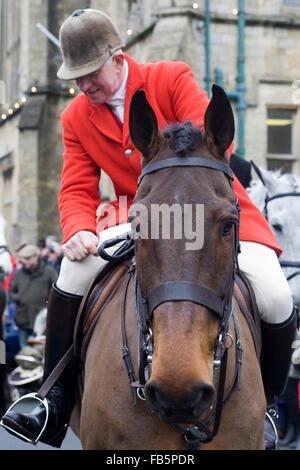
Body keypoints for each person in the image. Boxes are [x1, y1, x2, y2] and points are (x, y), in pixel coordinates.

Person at [1, 8, 296, 448]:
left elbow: (208, 141)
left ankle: (268, 408)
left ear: (117, 57)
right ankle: (54, 399)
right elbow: (76, 188)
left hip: (209, 209)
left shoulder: (170, 77)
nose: (83, 85)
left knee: (274, 292)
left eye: (90, 73)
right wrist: (79, 228)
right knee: (71, 273)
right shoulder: (75, 117)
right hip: (135, 217)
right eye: (76, 76)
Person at [8, 244, 58, 349]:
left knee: (40, 353)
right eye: (23, 259)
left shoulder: (49, 272)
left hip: (42, 322)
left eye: (28, 258)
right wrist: (19, 298)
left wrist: (47, 304)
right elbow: (11, 291)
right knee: (25, 352)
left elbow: (57, 292)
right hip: (23, 319)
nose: (25, 262)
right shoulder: (18, 274)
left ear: (36, 256)